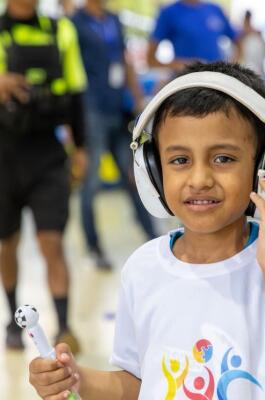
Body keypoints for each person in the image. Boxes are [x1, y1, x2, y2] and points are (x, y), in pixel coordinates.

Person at [28, 61, 265, 399]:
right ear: (152, 171)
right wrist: (76, 380)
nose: (200, 179)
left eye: (223, 158)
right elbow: (140, 383)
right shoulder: (143, 269)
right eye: (179, 160)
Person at [0, 0, 87, 352]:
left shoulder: (61, 29)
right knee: (6, 243)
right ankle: (13, 321)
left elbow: (76, 93)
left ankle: (64, 326)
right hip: (4, 155)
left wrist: (81, 148)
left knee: (52, 241)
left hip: (48, 154)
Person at [71, 0, 157, 270]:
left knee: (134, 176)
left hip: (118, 109)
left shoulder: (114, 20)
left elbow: (125, 61)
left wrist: (138, 99)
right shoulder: (76, 23)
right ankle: (94, 246)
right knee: (91, 183)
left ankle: (153, 238)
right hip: (91, 111)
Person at [147, 0, 241, 72]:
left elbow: (238, 41)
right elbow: (150, 59)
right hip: (186, 81)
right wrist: (179, 65)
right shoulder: (169, 12)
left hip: (216, 79)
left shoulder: (215, 9)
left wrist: (231, 67)